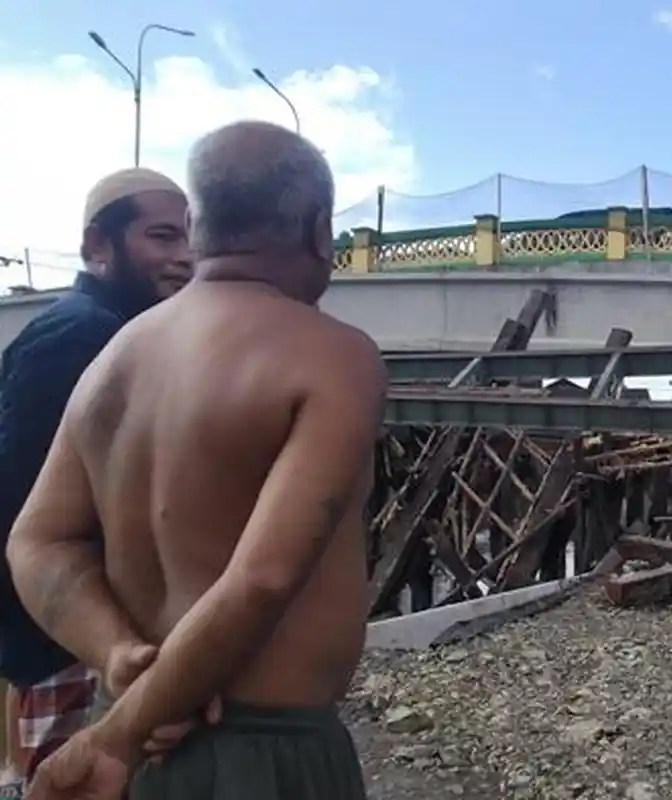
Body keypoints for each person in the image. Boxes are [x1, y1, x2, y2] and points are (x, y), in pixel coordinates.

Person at [8, 120, 385, 800]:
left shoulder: (115, 360)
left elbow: (36, 541)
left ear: (195, 222)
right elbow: (264, 578)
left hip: (131, 723)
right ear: (319, 230)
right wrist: (118, 738)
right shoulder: (334, 354)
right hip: (261, 755)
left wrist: (123, 659)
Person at [0, 168, 191, 793]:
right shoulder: (82, 337)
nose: (184, 257)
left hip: (82, 635)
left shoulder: (109, 331)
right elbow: (25, 507)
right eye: (162, 237)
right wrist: (87, 641)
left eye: (190, 236)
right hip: (68, 639)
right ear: (96, 247)